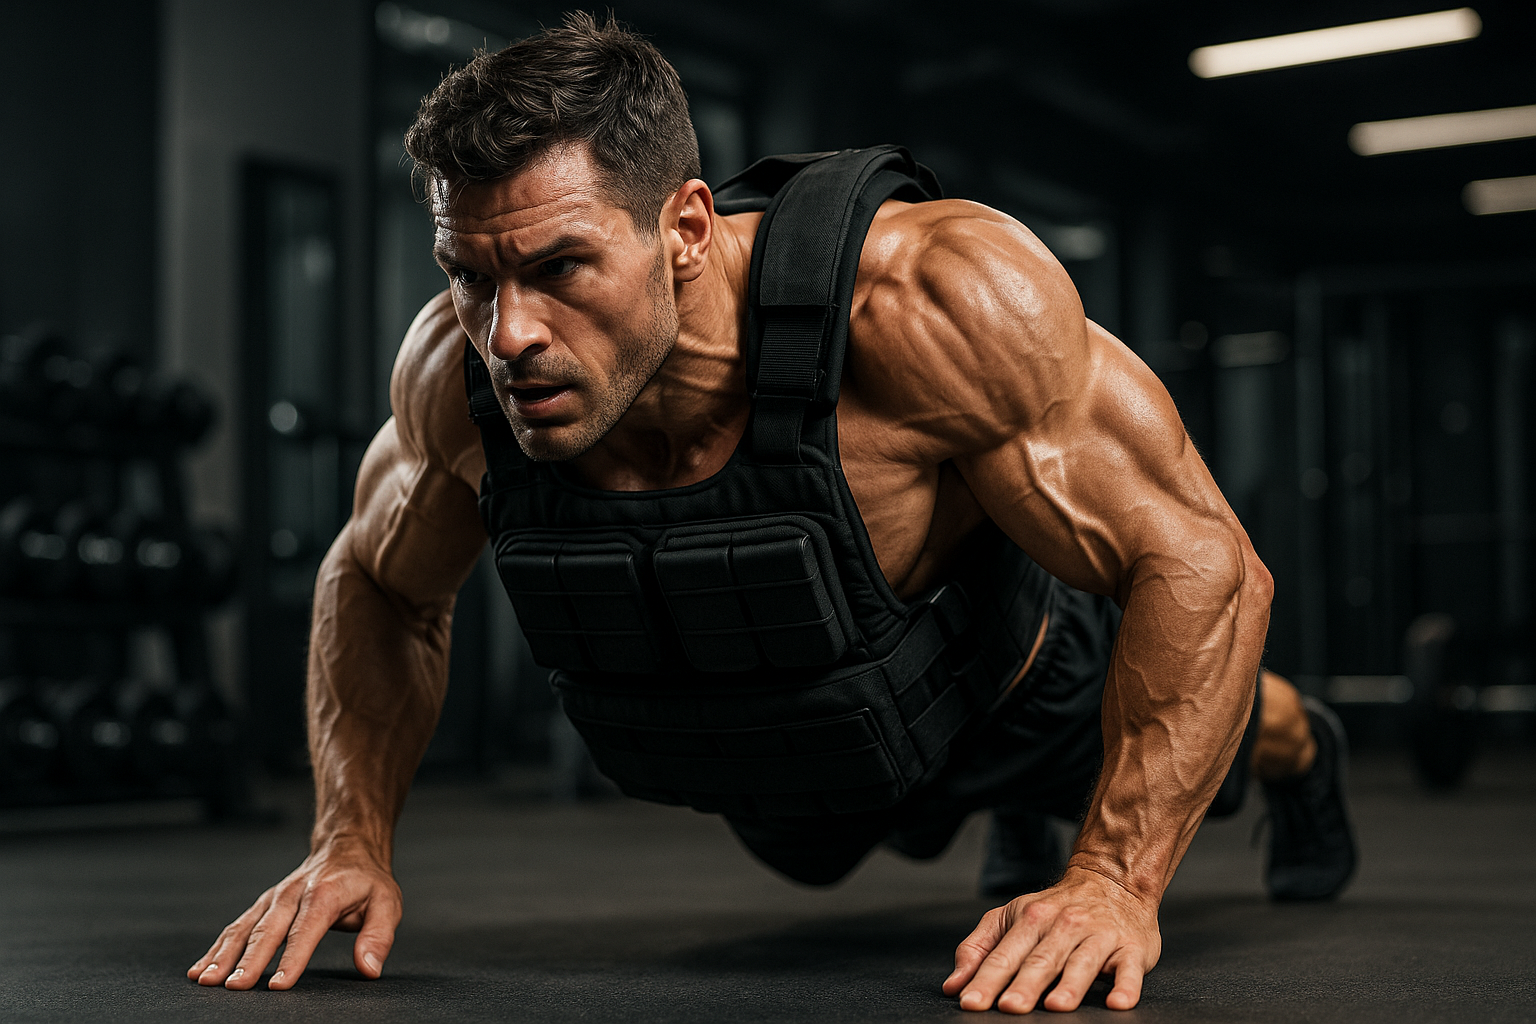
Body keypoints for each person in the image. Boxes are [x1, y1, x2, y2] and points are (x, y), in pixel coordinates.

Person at [188, 14, 1355, 1013]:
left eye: (560, 268)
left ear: (687, 229)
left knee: (1214, 722)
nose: (510, 334)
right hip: (792, 758)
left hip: (1012, 690)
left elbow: (1201, 562)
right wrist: (348, 838)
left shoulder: (927, 298)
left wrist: (1113, 881)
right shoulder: (455, 376)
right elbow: (379, 582)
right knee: (817, 845)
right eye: (470, 273)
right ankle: (1010, 825)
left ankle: (1305, 753)